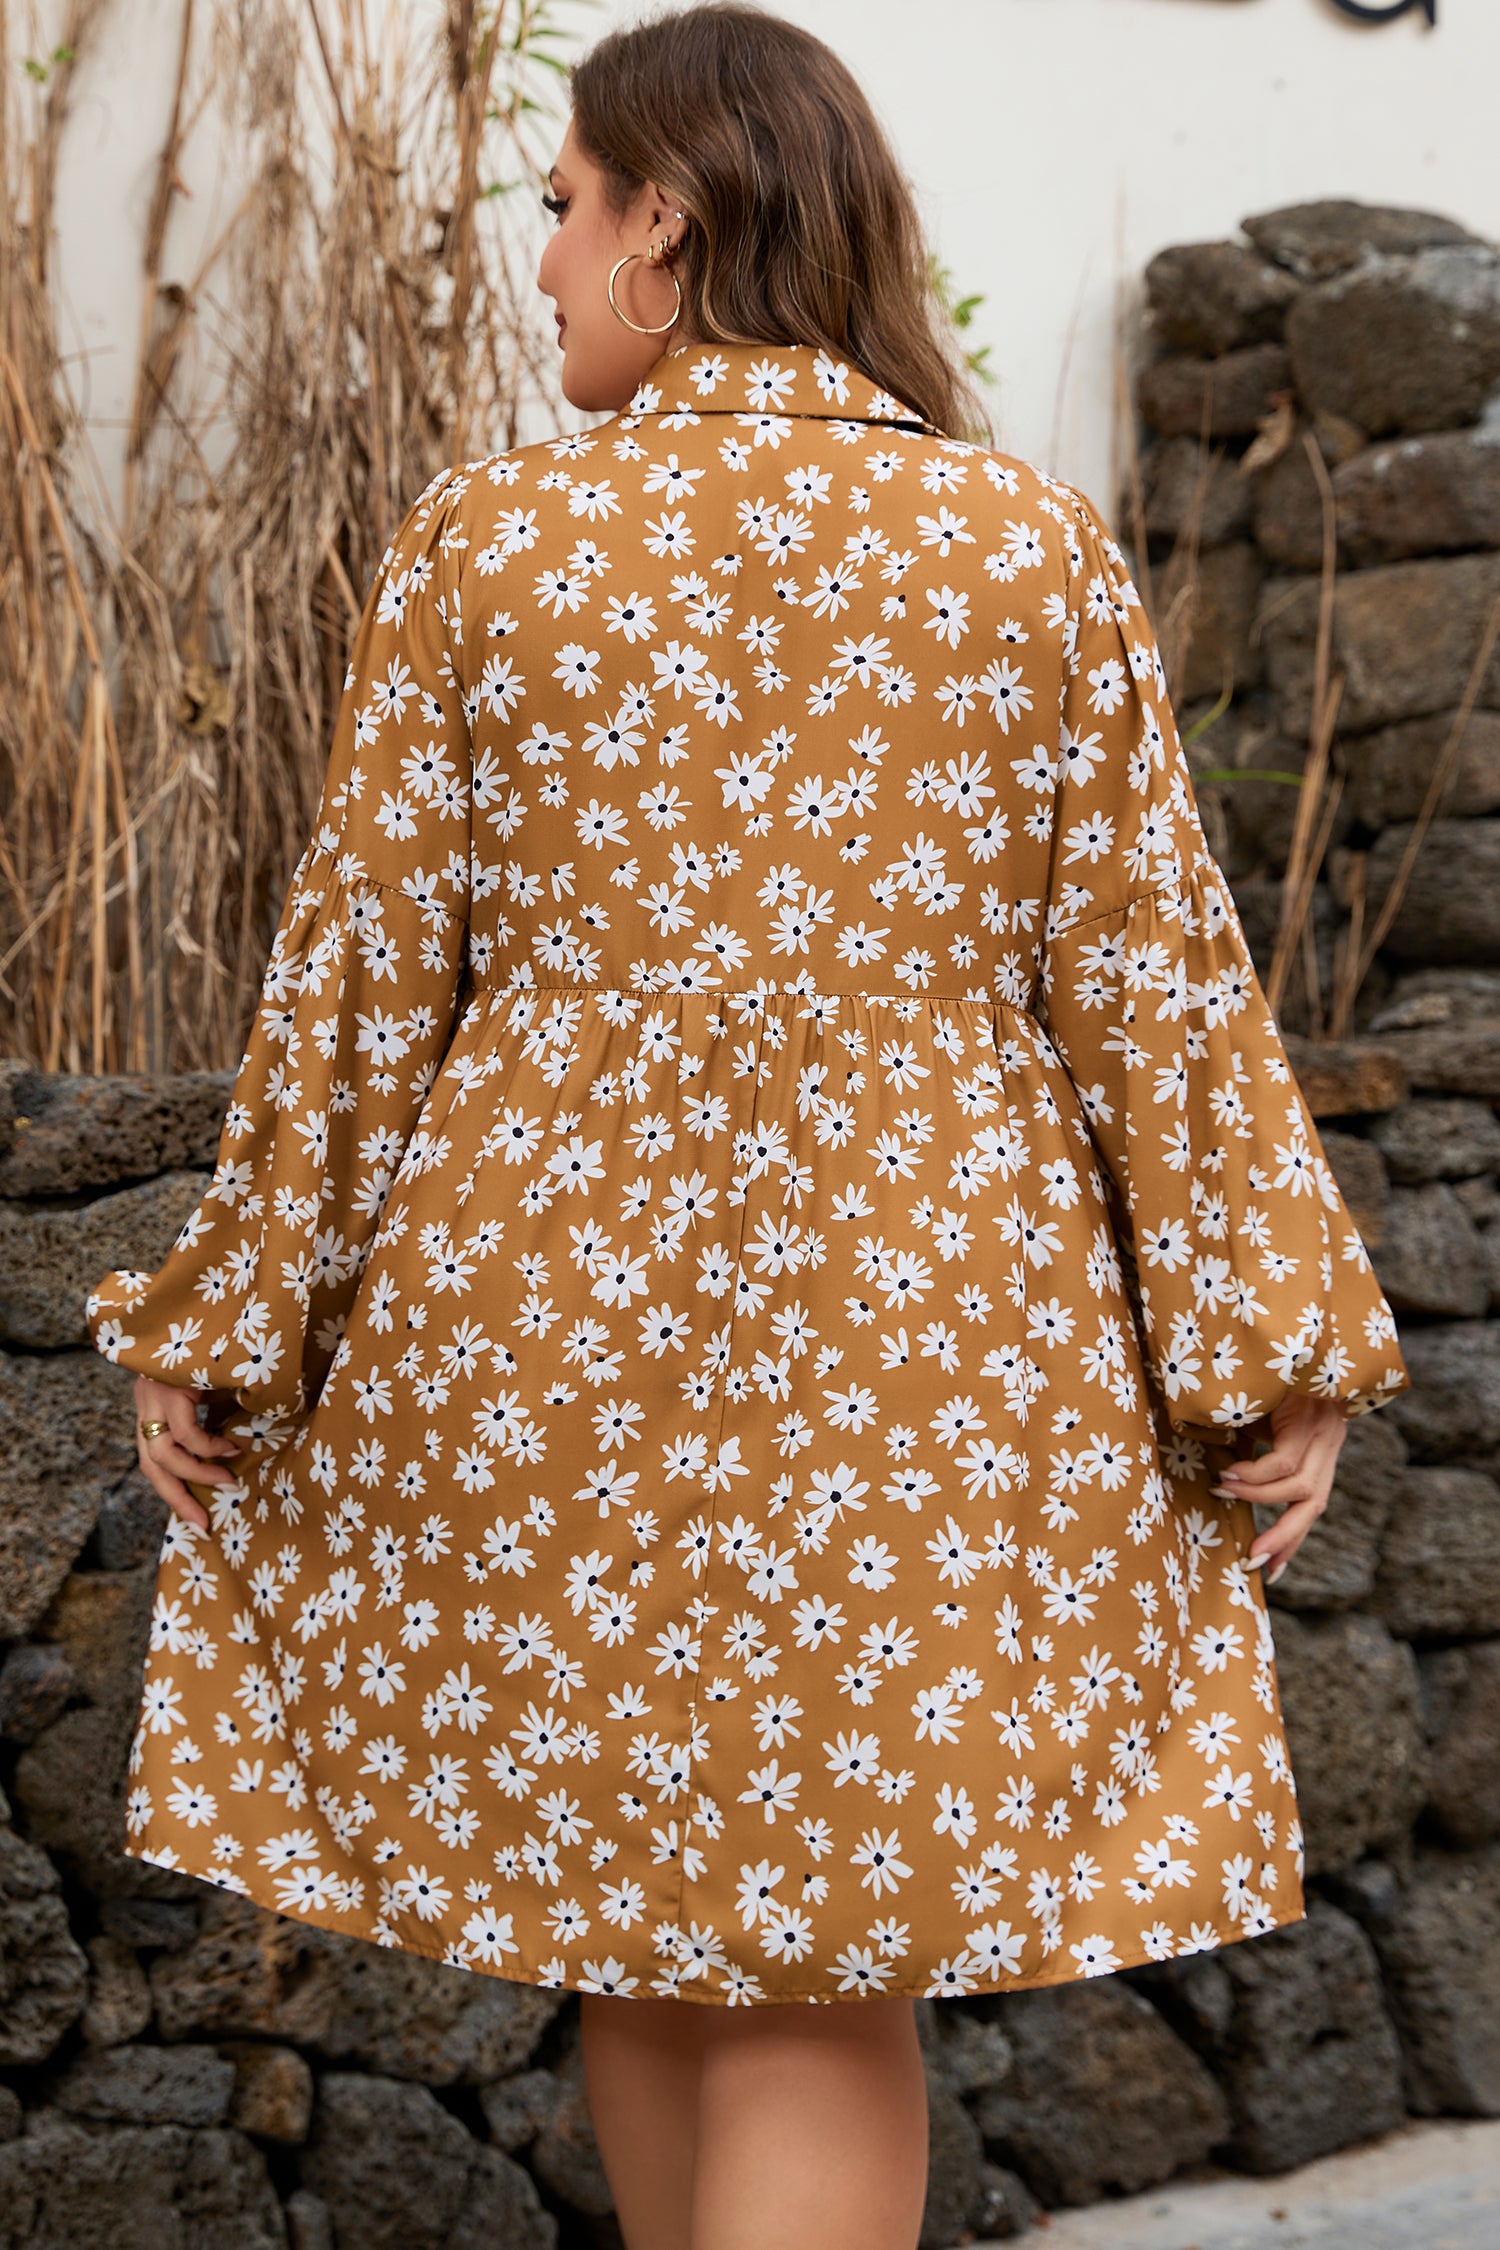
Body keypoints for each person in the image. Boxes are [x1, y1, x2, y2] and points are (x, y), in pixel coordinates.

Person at [87, 6, 1410, 2245]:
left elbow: (358, 987)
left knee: (648, 1910)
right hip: (923, 1332)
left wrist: (236, 1313)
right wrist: (1269, 1334)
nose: (540, 263)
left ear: (669, 225)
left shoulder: (492, 548)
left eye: (562, 207)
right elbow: (1153, 988)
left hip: (548, 1328)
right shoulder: (1018, 548)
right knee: (808, 1944)